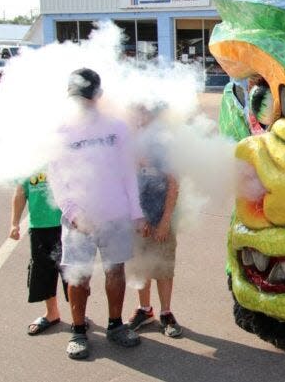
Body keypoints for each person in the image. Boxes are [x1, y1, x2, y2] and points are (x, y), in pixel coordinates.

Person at [48, 68, 146, 360]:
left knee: (115, 271)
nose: (84, 104)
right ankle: (78, 330)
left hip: (115, 215)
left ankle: (115, 325)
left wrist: (136, 213)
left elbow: (128, 173)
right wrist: (74, 212)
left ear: (98, 97)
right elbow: (56, 177)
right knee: (78, 277)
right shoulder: (60, 131)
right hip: (79, 221)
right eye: (79, 98)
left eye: (88, 98)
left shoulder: (117, 128)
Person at [126, 104, 183, 338]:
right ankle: (144, 310)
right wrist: (138, 217)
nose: (140, 117)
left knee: (163, 267)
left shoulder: (165, 143)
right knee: (140, 266)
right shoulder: (129, 143)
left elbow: (173, 183)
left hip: (162, 218)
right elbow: (126, 185)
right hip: (138, 219)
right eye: (137, 112)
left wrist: (164, 222)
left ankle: (166, 313)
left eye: (145, 112)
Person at [8, 171, 68, 336]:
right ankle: (52, 313)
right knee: (43, 271)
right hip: (39, 226)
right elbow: (20, 193)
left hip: (67, 224)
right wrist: (14, 223)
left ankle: (80, 315)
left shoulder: (63, 154)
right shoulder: (28, 161)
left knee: (72, 272)